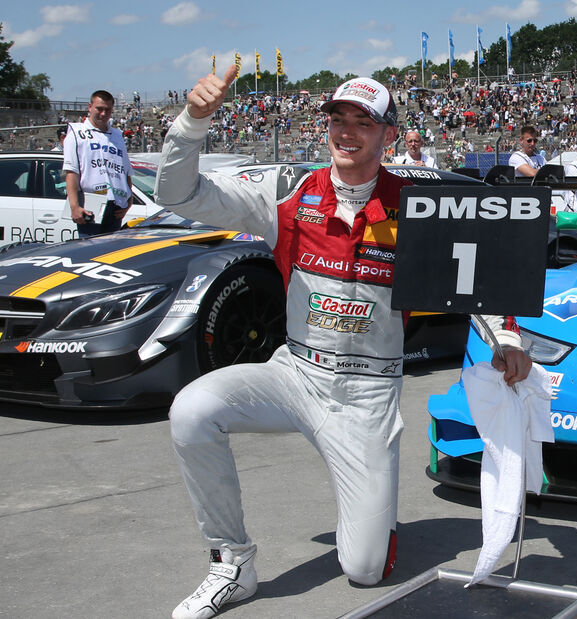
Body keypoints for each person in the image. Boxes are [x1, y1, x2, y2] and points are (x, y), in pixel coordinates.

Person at [155, 67, 532, 619]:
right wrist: (193, 121)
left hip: (367, 395)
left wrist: (505, 340)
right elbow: (176, 191)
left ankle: (376, 524)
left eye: (364, 121)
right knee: (191, 409)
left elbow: (473, 281)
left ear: (389, 134)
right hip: (295, 373)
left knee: (363, 570)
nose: (347, 131)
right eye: (338, 118)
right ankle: (231, 562)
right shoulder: (287, 191)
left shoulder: (418, 203)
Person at [63, 90, 132, 238]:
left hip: (116, 203)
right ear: (90, 107)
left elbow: (126, 171)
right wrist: (74, 207)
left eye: (107, 110)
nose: (103, 113)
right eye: (99, 108)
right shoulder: (76, 133)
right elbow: (71, 172)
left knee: (112, 254)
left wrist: (129, 202)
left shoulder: (117, 135)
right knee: (91, 251)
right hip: (91, 201)